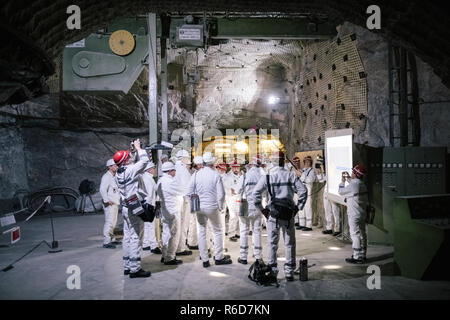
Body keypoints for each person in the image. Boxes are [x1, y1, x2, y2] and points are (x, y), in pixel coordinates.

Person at [253, 151, 307, 281]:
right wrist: (297, 208)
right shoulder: (291, 175)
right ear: (283, 162)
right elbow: (303, 191)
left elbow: (255, 194)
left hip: (273, 216)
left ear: (273, 162)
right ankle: (289, 272)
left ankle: (273, 271)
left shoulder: (268, 177)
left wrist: (262, 209)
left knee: (272, 243)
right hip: (288, 215)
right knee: (290, 243)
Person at [114, 139, 151, 278]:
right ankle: (135, 269)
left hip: (125, 207)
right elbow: (144, 161)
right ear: (125, 161)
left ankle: (127, 266)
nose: (130, 157)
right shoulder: (130, 170)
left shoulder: (119, 173)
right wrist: (138, 148)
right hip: (134, 207)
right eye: (128, 157)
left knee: (127, 237)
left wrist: (133, 153)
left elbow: (133, 166)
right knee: (136, 237)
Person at [188, 152, 231, 268]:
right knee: (217, 231)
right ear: (212, 162)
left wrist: (194, 204)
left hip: (199, 207)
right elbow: (221, 194)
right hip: (212, 207)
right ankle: (219, 257)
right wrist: (221, 206)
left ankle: (205, 259)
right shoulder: (215, 175)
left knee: (201, 231)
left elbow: (189, 192)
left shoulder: (196, 175)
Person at [237, 155, 264, 265]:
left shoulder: (245, 175)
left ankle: (243, 257)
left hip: (246, 205)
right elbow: (266, 192)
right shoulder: (262, 175)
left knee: (244, 231)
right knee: (257, 231)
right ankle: (258, 256)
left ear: (251, 164)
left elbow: (238, 189)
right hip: (257, 205)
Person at [338, 164, 368, 264]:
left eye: (353, 172)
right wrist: (349, 179)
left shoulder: (353, 185)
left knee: (355, 235)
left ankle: (356, 257)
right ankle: (363, 255)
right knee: (363, 233)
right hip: (362, 213)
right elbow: (355, 185)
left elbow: (341, 191)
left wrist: (342, 181)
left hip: (354, 214)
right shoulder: (362, 184)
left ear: (355, 174)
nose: (351, 173)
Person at [157, 161, 184, 265]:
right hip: (172, 212)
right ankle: (170, 257)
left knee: (166, 233)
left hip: (165, 211)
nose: (175, 172)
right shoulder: (170, 182)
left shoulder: (160, 180)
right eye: (174, 170)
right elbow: (182, 190)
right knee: (174, 234)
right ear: (169, 171)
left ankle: (164, 255)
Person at [174, 150, 193, 257]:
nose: (188, 160)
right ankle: (180, 248)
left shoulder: (174, 168)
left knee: (176, 225)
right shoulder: (183, 170)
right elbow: (187, 188)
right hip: (184, 201)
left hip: (176, 200)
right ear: (183, 158)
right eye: (187, 158)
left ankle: (175, 247)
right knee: (183, 224)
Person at [100, 159, 120, 249]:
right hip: (110, 204)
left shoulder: (114, 176)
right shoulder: (106, 177)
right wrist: (107, 200)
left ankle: (112, 239)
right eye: (114, 165)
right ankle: (106, 241)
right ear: (109, 167)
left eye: (116, 165)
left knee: (113, 222)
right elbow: (102, 189)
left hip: (114, 202)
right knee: (109, 222)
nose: (116, 166)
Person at [141, 162, 162, 253]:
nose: (154, 169)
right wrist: (151, 207)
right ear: (149, 169)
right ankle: (153, 246)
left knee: (146, 225)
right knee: (151, 226)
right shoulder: (148, 179)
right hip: (149, 205)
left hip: (145, 204)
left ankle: (146, 244)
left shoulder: (145, 177)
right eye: (153, 168)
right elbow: (149, 194)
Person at [316, 162, 341, 236]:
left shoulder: (336, 173)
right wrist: (319, 172)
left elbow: (329, 178)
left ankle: (337, 229)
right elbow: (321, 180)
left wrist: (323, 171)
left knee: (335, 211)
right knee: (327, 211)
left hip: (333, 192)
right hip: (326, 192)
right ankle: (329, 228)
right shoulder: (326, 172)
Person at [224, 160, 243, 242]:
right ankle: (231, 234)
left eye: (237, 167)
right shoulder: (228, 176)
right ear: (231, 167)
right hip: (231, 197)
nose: (236, 169)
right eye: (234, 167)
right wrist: (237, 191)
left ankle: (237, 233)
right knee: (233, 215)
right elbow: (231, 190)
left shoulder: (241, 175)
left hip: (239, 196)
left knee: (239, 215)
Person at [298, 156, 317, 231]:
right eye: (305, 161)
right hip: (301, 190)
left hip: (308, 190)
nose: (306, 163)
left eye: (308, 161)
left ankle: (308, 225)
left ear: (310, 162)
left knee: (308, 207)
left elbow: (310, 180)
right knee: (301, 207)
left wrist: (301, 175)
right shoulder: (303, 170)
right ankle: (302, 224)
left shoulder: (312, 171)